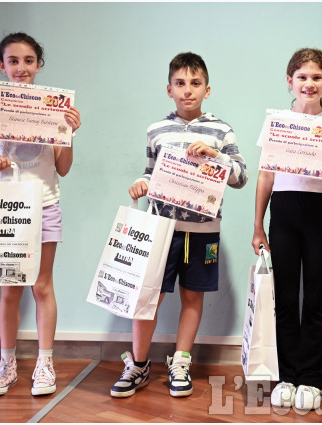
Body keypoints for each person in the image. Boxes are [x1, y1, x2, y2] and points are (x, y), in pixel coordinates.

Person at [111, 52, 248, 399]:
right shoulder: (156, 130)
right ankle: (139, 365)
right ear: (169, 89)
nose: (188, 90)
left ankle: (181, 361)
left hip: (203, 231)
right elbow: (149, 172)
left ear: (208, 89)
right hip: (159, 230)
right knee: (147, 299)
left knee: (192, 296)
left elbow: (241, 176)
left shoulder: (221, 130)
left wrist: (216, 157)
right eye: (180, 84)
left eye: (196, 83)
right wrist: (140, 183)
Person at [0, 32, 81, 396]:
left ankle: (45, 363)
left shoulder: (55, 108)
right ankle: (7, 364)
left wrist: (68, 134)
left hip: (45, 202)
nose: (21, 68)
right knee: (10, 290)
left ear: (38, 65)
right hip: (5, 207)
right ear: (1, 65)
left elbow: (63, 168)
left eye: (29, 60)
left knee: (42, 285)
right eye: (13, 61)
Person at [252, 48, 322, 411]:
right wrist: (258, 226)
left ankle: (311, 378)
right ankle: (286, 375)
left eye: (316, 77)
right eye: (302, 77)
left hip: (317, 210)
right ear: (290, 81)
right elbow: (266, 175)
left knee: (314, 295)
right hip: (283, 210)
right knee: (285, 295)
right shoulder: (277, 121)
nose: (309, 84)